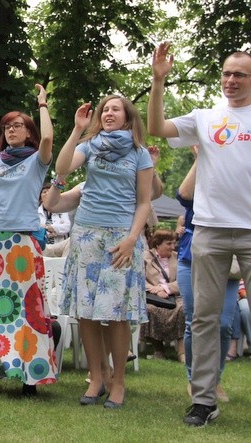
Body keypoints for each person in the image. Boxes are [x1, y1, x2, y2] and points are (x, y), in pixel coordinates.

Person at [149, 42, 251, 439]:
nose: (231, 81)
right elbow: (157, 128)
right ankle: (203, 401)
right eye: (227, 74)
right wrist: (158, 81)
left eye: (240, 75)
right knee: (204, 319)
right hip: (209, 231)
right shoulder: (206, 116)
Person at [54, 95, 152, 409]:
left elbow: (144, 202)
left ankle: (119, 381)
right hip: (86, 235)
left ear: (128, 117)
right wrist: (76, 131)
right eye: (105, 109)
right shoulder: (90, 145)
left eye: (115, 109)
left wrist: (132, 239)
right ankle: (97, 377)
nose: (109, 113)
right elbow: (63, 168)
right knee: (87, 311)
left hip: (121, 238)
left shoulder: (140, 153)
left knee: (118, 314)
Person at [0, 88, 57, 397]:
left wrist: (42, 104)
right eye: (7, 126)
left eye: (18, 125)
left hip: (25, 240)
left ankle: (30, 375)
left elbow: (47, 140)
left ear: (29, 131)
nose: (12, 130)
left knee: (27, 308)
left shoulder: (37, 161)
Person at [176, 148, 239, 402]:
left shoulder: (238, 180)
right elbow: (184, 194)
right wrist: (201, 158)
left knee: (223, 324)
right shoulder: (202, 174)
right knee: (195, 322)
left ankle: (215, 380)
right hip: (192, 257)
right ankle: (195, 379)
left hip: (229, 259)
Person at [142, 229, 185, 362]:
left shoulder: (179, 257)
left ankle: (182, 353)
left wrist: (165, 288)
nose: (173, 247)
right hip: (152, 297)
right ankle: (158, 350)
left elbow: (184, 279)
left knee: (184, 309)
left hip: (175, 296)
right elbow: (138, 278)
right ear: (157, 244)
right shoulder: (144, 257)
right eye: (169, 244)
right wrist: (155, 290)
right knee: (150, 310)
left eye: (174, 243)